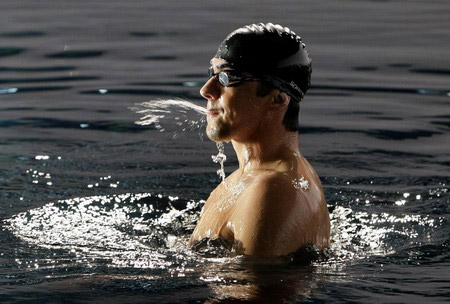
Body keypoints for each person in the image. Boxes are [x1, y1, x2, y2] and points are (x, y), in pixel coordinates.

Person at [189, 23, 330, 257]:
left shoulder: (270, 191)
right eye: (213, 74)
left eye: (228, 77)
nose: (207, 90)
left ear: (276, 99)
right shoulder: (250, 179)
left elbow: (250, 292)